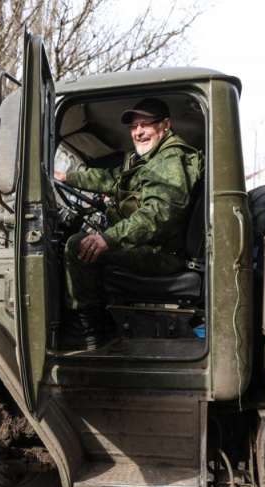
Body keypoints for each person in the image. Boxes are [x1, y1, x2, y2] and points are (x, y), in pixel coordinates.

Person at [54, 98, 203, 350]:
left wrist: (108, 238)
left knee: (77, 247)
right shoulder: (149, 160)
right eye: (134, 126)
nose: (138, 132)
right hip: (153, 246)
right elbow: (112, 180)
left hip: (162, 253)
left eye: (146, 125)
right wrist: (67, 176)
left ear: (165, 125)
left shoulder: (169, 160)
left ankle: (90, 333)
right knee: (85, 240)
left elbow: (158, 215)